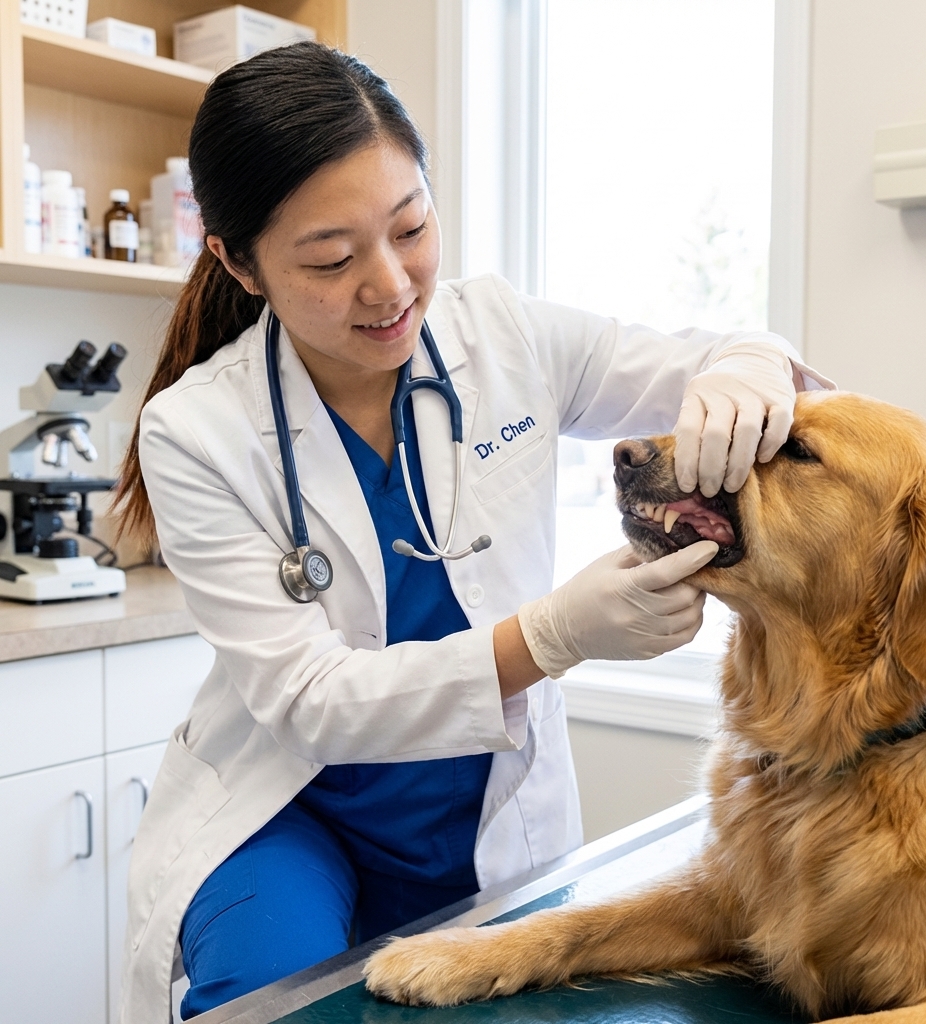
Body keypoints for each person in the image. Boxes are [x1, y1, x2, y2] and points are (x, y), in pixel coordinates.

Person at [113, 41, 830, 1023]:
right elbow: (310, 700)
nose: (391, 284)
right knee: (268, 999)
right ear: (236, 259)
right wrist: (555, 635)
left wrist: (748, 364)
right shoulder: (197, 433)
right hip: (286, 807)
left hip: (480, 810)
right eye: (330, 258)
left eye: (410, 227)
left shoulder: (504, 337)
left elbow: (716, 357)